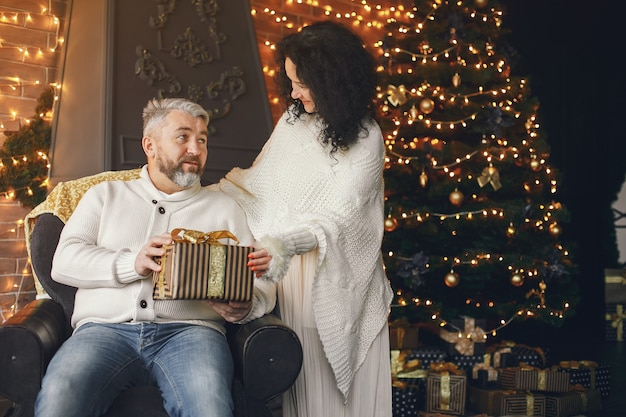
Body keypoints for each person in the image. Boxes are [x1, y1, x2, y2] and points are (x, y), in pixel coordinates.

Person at [34, 97, 277, 417]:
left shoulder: (225, 208)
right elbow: (63, 262)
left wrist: (247, 306)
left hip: (193, 333)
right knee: (59, 397)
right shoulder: (105, 195)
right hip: (103, 331)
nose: (196, 148)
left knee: (210, 408)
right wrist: (131, 263)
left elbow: (260, 279)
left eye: (202, 139)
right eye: (183, 137)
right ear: (149, 145)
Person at [217, 20, 394, 417]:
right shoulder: (293, 122)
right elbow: (257, 184)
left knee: (345, 396)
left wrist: (283, 245)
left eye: (302, 83)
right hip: (291, 280)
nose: (293, 93)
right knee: (310, 392)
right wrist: (195, 195)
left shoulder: (368, 138)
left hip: (339, 277)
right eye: (291, 82)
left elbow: (343, 217)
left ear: (332, 81)